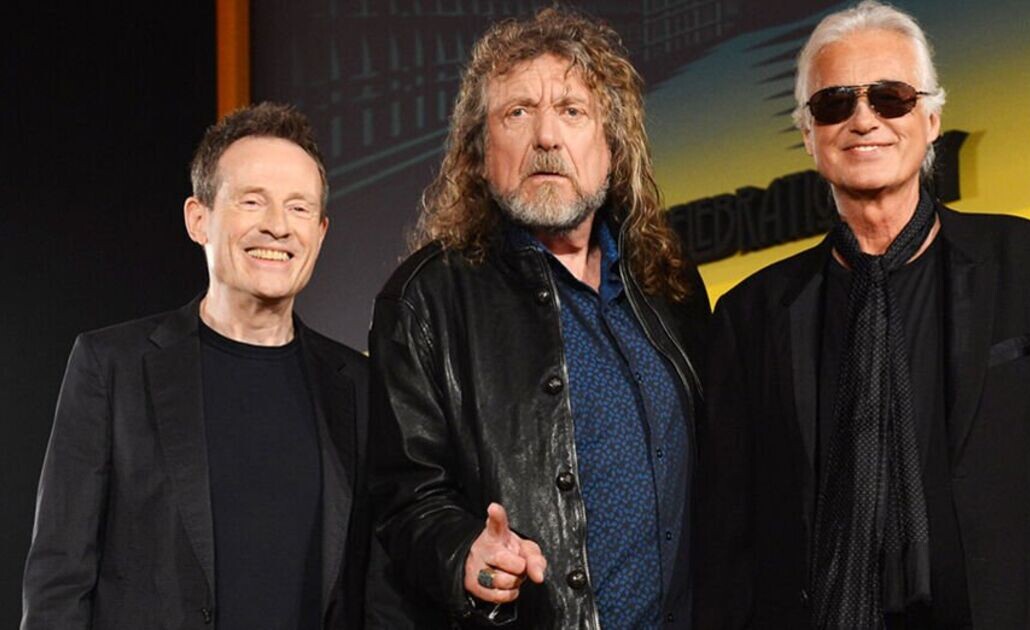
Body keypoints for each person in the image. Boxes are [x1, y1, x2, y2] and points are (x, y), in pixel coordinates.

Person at [694, 2, 1030, 628]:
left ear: (931, 119)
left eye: (891, 97)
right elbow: (728, 550)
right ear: (809, 135)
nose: (863, 120)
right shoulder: (750, 317)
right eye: (834, 103)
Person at [368, 8, 709, 628]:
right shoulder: (426, 300)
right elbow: (404, 496)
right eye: (518, 113)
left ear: (612, 150)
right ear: (479, 152)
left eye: (572, 111)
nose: (547, 137)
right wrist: (464, 554)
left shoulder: (671, 285)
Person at [22, 103, 376, 629]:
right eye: (252, 201)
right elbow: (59, 580)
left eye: (299, 208)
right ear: (198, 219)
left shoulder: (359, 387)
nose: (278, 226)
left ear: (321, 232)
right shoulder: (111, 367)